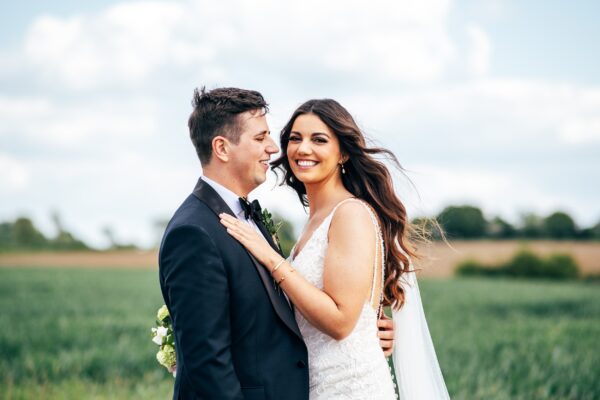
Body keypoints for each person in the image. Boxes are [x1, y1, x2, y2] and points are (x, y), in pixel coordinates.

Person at [158, 88, 394, 400]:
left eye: (318, 139)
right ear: (222, 148)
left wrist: (365, 331)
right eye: (261, 138)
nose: (275, 148)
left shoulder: (334, 215)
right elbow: (207, 358)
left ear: (344, 153)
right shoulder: (195, 230)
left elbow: (332, 315)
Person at [220, 99, 450, 399]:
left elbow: (340, 322)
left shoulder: (350, 214)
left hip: (350, 388)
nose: (303, 149)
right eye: (295, 138)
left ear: (343, 153)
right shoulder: (315, 222)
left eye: (319, 140)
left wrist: (270, 258)